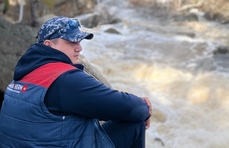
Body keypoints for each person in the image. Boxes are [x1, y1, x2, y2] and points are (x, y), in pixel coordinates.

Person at [0, 16, 152, 148]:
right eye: (71, 42)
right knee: (134, 123)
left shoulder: (24, 74)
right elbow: (131, 108)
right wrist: (145, 108)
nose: (79, 48)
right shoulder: (65, 79)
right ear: (48, 45)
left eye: (79, 41)